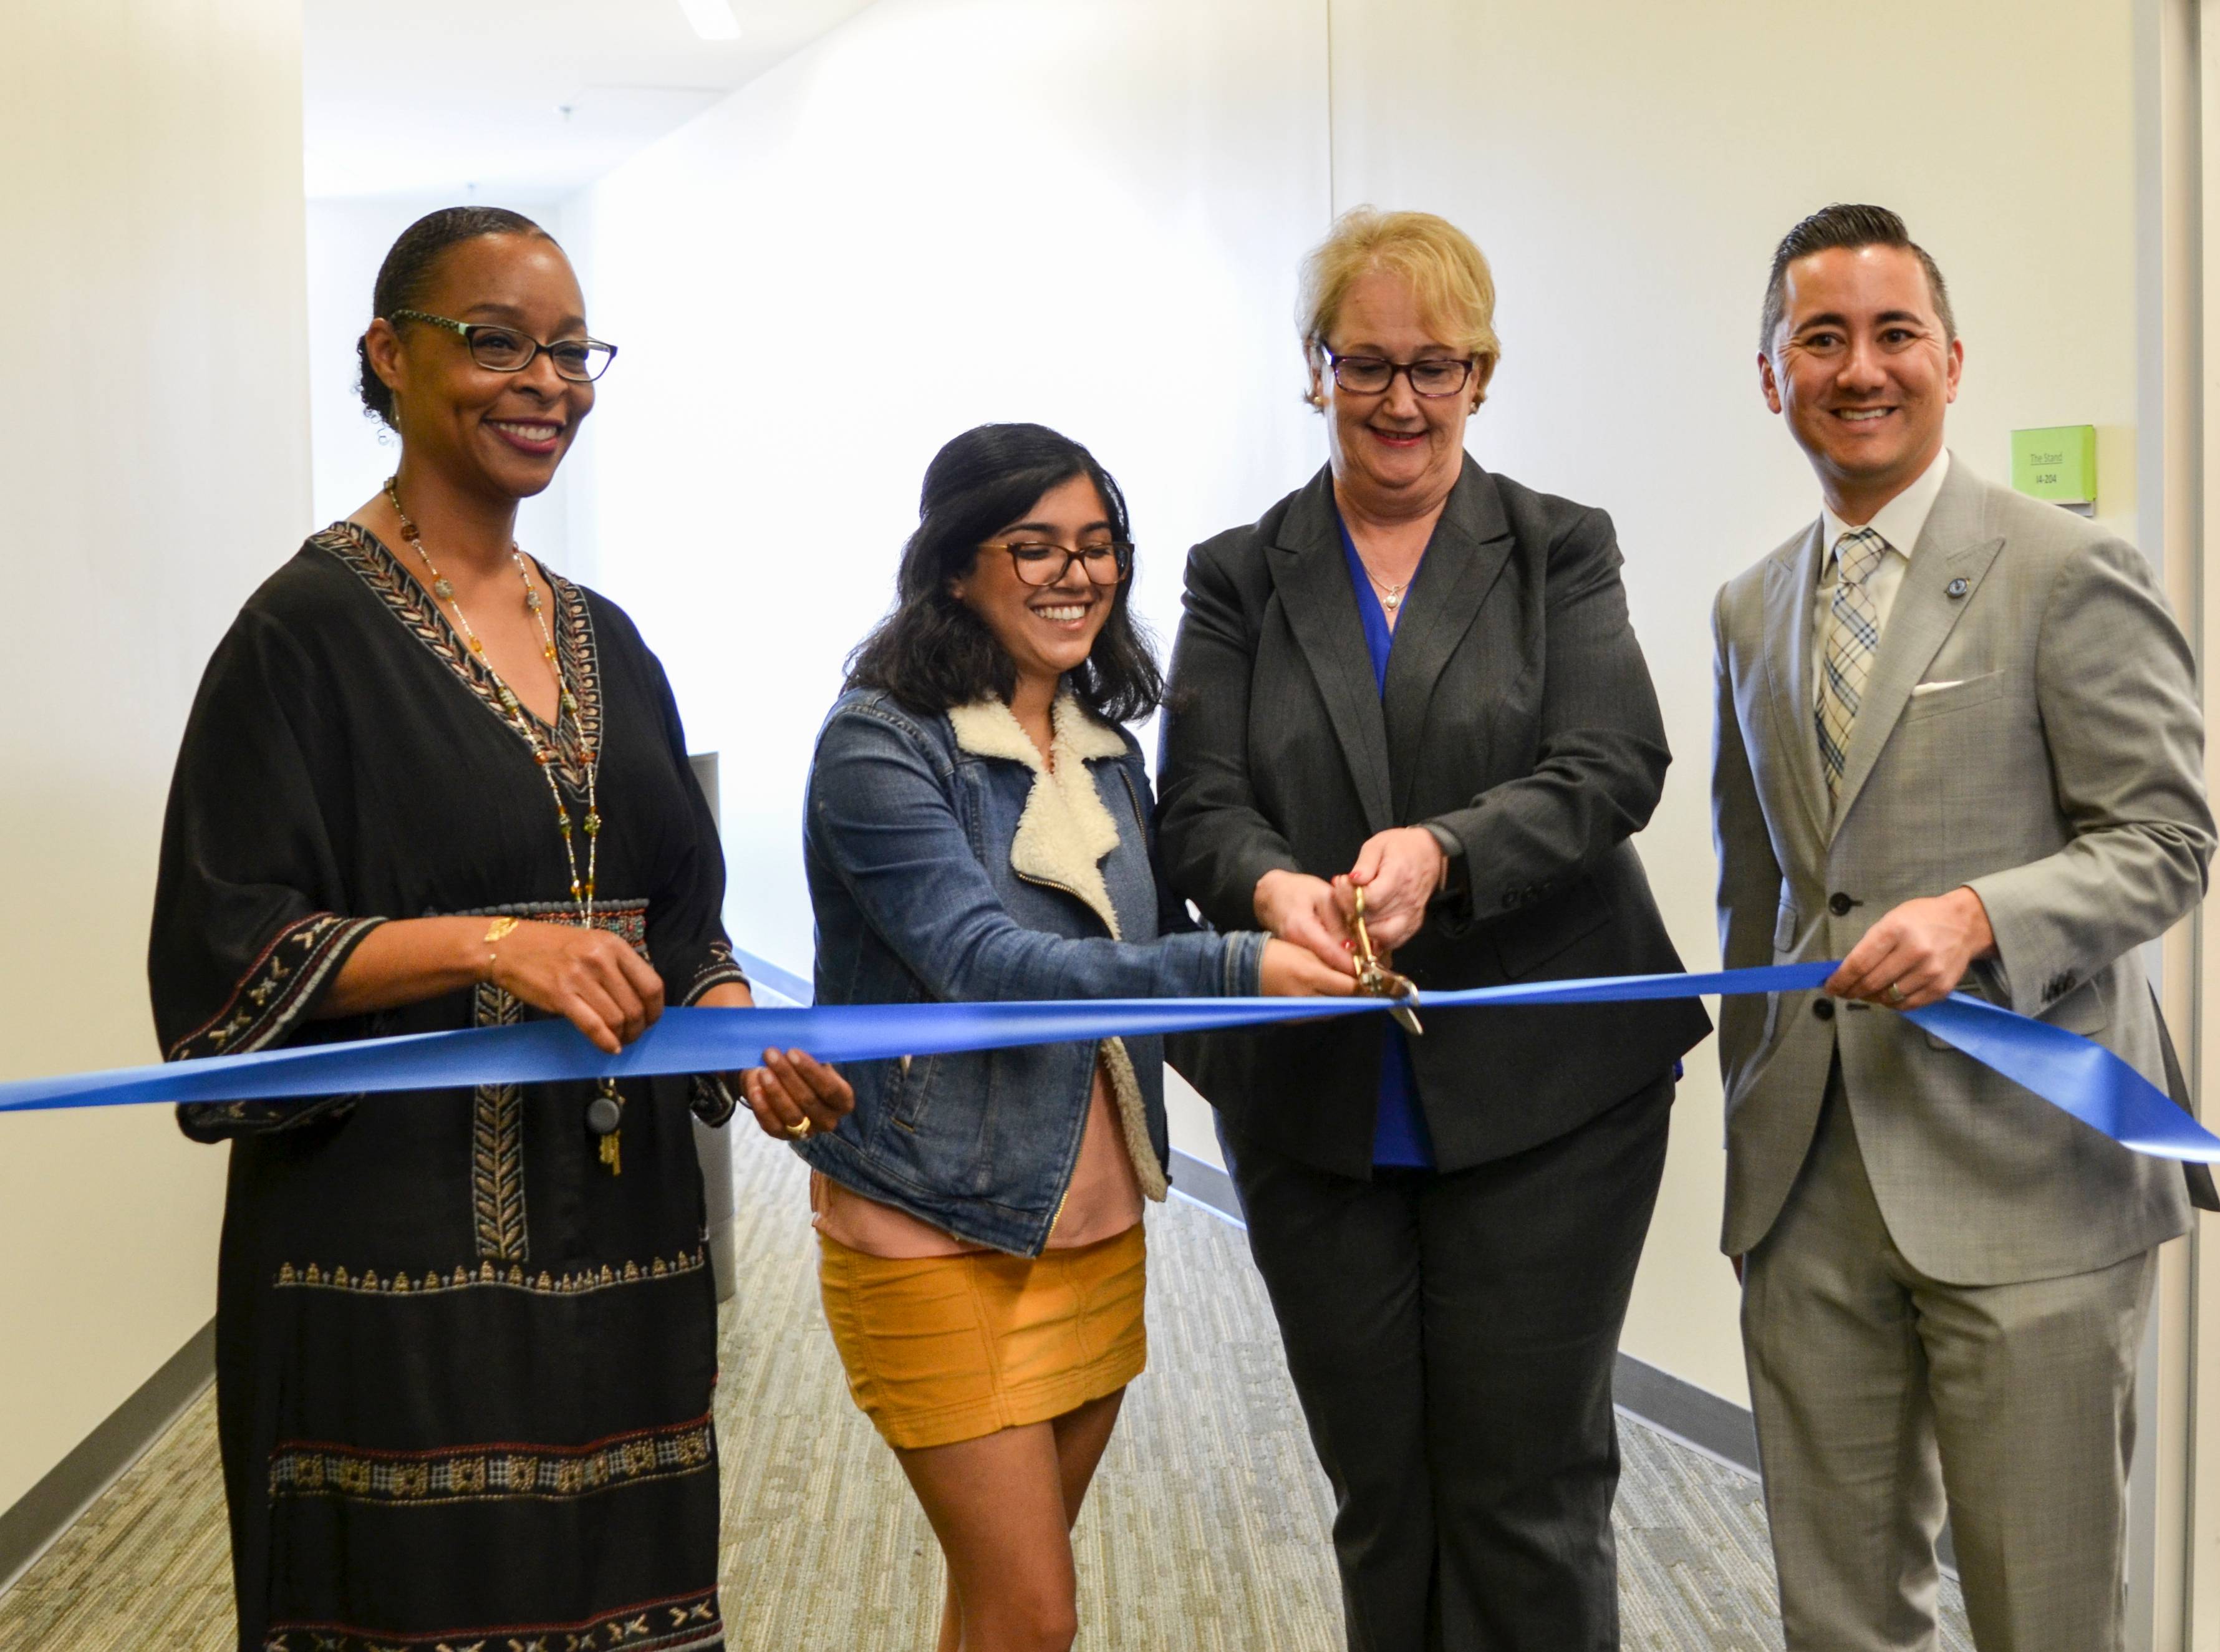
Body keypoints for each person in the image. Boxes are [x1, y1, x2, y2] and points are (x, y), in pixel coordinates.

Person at [149, 205, 849, 1652]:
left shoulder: (610, 635)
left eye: (572, 350)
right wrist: (487, 943)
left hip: (627, 1256)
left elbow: (685, 917)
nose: (547, 381)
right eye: (497, 342)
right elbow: (225, 950)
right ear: (388, 356)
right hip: (393, 1278)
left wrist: (740, 1030)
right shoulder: (302, 633)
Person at [1156, 208, 1711, 1651]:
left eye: (1436, 365)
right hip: (1317, 1097)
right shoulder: (1237, 574)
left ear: (1482, 371)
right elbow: (1199, 809)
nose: (1400, 399)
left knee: (1527, 1487)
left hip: (1552, 1095)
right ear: (1314, 365)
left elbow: (1612, 765)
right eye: (1367, 362)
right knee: (1380, 1489)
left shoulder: (1556, 551)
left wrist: (1445, 853)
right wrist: (1277, 888)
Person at [1710, 203, 2219, 1652]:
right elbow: (1763, 893)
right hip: (1812, 1189)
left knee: (2041, 1609)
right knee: (1840, 1608)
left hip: (2029, 1175)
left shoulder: (2065, 569)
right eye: (1820, 338)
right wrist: (1753, 1137)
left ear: (1949, 358)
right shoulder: (1750, 609)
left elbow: (2166, 842)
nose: (1858, 368)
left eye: (1891, 334)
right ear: (1771, 375)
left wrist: (1979, 914)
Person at [798, 422, 1358, 1652]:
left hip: (1094, 1220)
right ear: (955, 567)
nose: (1074, 574)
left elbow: (1147, 941)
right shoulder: (878, 744)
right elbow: (986, 965)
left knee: (1005, 1609)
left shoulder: (1105, 752)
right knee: (1033, 1614)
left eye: (1098, 547)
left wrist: (1306, 918)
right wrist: (1236, 965)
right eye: (1034, 545)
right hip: (939, 1224)